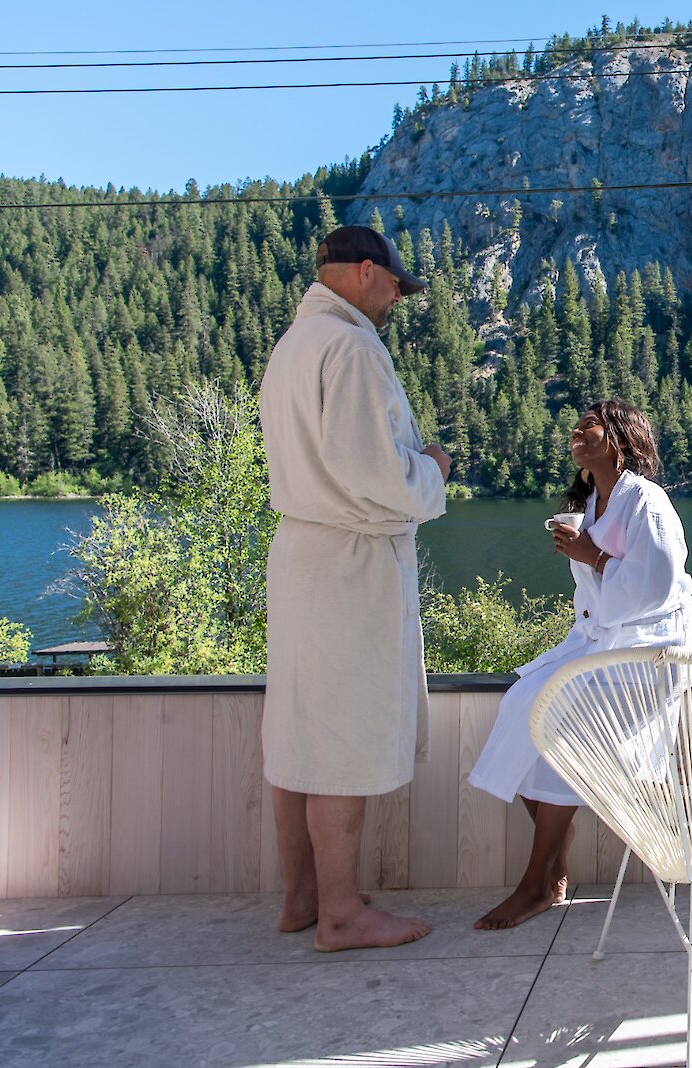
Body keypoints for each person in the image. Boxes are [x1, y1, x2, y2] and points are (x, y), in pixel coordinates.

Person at [259, 224, 453, 952]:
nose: (399, 300)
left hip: (302, 557)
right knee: (341, 737)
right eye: (397, 286)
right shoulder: (352, 349)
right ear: (366, 272)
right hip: (348, 564)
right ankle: (340, 914)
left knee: (300, 733)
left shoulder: (292, 346)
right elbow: (375, 475)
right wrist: (433, 467)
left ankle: (302, 896)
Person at [467, 399, 692, 930]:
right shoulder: (592, 502)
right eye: (575, 426)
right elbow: (602, 590)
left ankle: (537, 881)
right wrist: (585, 553)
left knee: (568, 723)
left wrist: (591, 556)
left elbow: (656, 585)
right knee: (522, 703)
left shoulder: (646, 501)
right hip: (606, 639)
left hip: (653, 646)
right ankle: (555, 845)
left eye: (589, 425)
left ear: (620, 439)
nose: (576, 430)